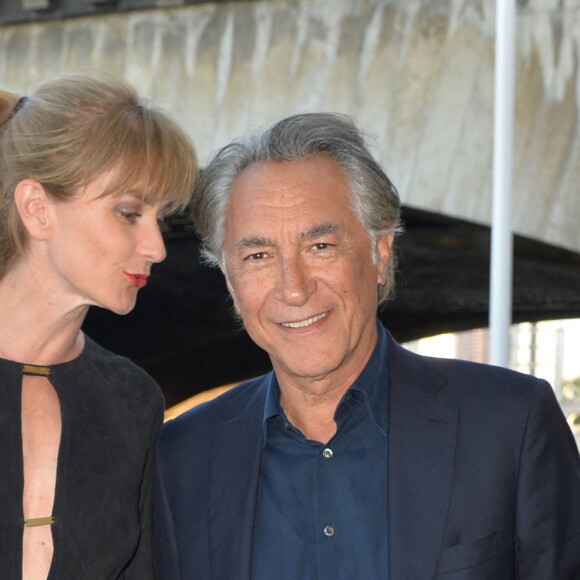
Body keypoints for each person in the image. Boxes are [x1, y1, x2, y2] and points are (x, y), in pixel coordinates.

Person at [153, 113, 580, 579]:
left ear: (379, 253)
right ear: (229, 281)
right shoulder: (181, 458)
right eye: (258, 256)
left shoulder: (510, 426)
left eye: (320, 246)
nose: (293, 289)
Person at [0, 72, 197, 579]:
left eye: (161, 219)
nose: (156, 248)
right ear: (37, 209)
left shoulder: (134, 399)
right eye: (129, 212)